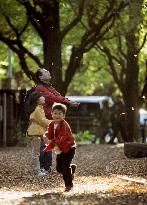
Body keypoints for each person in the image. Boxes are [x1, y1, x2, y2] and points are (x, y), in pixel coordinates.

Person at [34, 68, 79, 173]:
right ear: (40, 77)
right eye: (45, 72)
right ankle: (41, 167)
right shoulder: (40, 88)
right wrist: (69, 102)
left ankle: (47, 167)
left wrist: (68, 101)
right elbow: (53, 98)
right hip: (42, 119)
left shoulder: (48, 86)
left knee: (49, 141)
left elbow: (58, 96)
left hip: (50, 118)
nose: (48, 72)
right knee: (42, 143)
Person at [44, 103, 76, 192]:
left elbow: (62, 136)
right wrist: (46, 137)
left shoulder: (64, 125)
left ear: (64, 115)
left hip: (69, 148)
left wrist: (53, 143)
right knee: (59, 169)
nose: (57, 115)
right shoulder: (52, 124)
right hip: (60, 148)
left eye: (59, 113)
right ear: (52, 114)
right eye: (55, 113)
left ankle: (69, 185)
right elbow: (49, 133)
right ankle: (71, 169)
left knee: (65, 167)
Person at [25, 92, 51, 176]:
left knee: (40, 151)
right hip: (35, 133)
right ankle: (37, 171)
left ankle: (39, 169)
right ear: (37, 100)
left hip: (39, 132)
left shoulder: (39, 108)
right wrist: (54, 122)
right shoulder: (37, 109)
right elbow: (42, 121)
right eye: (41, 97)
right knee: (36, 153)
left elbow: (43, 121)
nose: (43, 97)